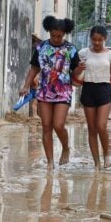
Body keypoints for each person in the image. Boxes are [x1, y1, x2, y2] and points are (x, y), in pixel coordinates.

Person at [20, 16, 78, 170]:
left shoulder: (71, 49)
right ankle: (50, 162)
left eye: (60, 36)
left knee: (58, 125)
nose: (56, 38)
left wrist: (80, 72)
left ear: (64, 34)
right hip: (44, 91)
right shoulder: (41, 48)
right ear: (49, 32)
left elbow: (76, 71)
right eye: (53, 35)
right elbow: (34, 68)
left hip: (63, 91)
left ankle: (65, 148)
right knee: (46, 126)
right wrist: (26, 85)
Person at [78, 25, 111, 169]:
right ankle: (96, 163)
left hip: (104, 90)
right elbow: (75, 73)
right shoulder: (83, 53)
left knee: (101, 125)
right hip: (88, 89)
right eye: (94, 39)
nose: (97, 43)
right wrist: (77, 70)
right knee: (92, 129)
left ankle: (106, 155)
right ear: (90, 39)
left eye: (100, 40)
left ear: (105, 39)